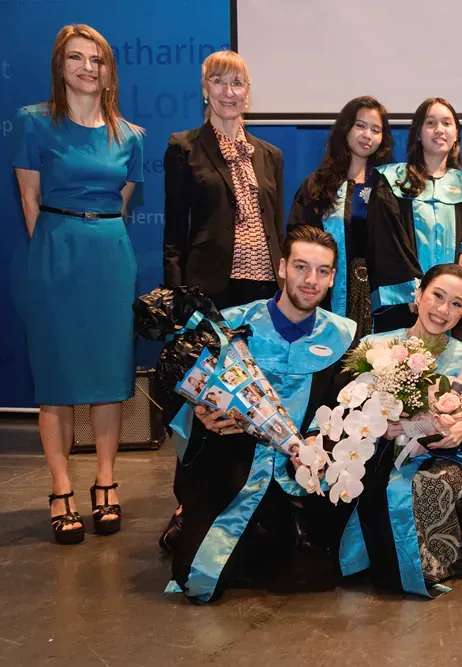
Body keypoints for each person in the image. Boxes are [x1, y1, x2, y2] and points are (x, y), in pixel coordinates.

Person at [169, 225, 357, 603]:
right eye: (302, 267)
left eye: (322, 271)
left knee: (320, 574)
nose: (311, 280)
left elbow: (345, 412)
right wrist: (200, 413)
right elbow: (186, 392)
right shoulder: (230, 326)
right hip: (231, 464)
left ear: (333, 277)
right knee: (195, 577)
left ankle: (269, 532)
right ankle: (196, 520)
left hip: (300, 474)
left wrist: (318, 443)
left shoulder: (344, 336)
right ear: (282, 268)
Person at [12, 24, 144, 545]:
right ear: (60, 66)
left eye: (98, 60)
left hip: (110, 258)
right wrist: (50, 260)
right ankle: (61, 488)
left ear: (110, 69)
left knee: (109, 378)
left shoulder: (130, 136)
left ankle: (106, 483)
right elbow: (29, 201)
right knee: (58, 379)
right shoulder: (33, 123)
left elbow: (122, 201)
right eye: (77, 58)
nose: (88, 68)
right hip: (54, 254)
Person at [161, 50, 285, 549]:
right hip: (210, 296)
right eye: (220, 82)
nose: (230, 92)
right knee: (202, 403)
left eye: (238, 83)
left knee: (255, 399)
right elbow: (174, 233)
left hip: (261, 295)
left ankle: (251, 501)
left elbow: (274, 228)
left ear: (247, 93)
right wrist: (177, 304)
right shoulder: (184, 147)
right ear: (204, 89)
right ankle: (187, 505)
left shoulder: (268, 154)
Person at [336, 264, 462, 597]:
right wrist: (379, 425)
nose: (443, 310)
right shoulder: (375, 346)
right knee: (388, 486)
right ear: (418, 294)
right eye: (437, 296)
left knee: (437, 482)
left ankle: (428, 564)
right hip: (380, 456)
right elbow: (348, 411)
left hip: (442, 454)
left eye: (456, 304)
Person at [366, 97, 462, 338]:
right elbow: (387, 241)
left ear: (456, 133)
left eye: (446, 123)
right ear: (418, 132)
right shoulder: (392, 181)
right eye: (431, 123)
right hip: (406, 306)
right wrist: (413, 292)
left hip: (455, 310)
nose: (439, 130)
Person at [287, 96, 394, 336]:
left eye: (376, 130)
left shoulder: (386, 186)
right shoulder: (317, 184)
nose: (368, 135)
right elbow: (297, 236)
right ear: (345, 128)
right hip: (325, 288)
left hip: (375, 295)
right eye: (360, 126)